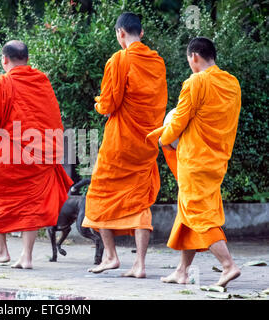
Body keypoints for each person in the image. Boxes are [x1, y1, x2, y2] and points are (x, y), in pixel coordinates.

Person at [147, 37, 242, 287]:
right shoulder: (232, 83)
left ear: (194, 57)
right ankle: (182, 270)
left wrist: (161, 137)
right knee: (188, 213)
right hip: (217, 159)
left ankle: (228, 265)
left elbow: (178, 121)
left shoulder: (196, 82)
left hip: (194, 159)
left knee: (199, 214)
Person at [0, 40, 73, 269]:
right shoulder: (42, 81)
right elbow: (53, 119)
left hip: (8, 157)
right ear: (27, 59)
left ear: (4, 59)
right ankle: (26, 257)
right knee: (32, 203)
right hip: (40, 155)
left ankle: (1, 251)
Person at [82, 13, 167, 277]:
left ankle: (111, 256)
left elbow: (108, 103)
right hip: (147, 141)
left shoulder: (119, 60)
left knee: (99, 195)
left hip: (119, 143)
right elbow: (158, 101)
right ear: (140, 33)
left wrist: (99, 105)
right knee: (140, 201)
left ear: (120, 33)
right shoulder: (157, 62)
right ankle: (139, 264)